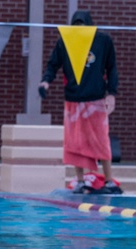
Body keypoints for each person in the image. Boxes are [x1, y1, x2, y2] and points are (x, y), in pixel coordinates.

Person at [39, 10, 120, 194]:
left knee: (101, 140)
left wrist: (112, 94)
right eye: (76, 28)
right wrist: (45, 81)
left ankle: (108, 181)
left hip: (96, 99)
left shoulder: (103, 41)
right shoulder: (65, 42)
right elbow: (53, 65)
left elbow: (112, 68)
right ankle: (81, 180)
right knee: (75, 143)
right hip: (73, 100)